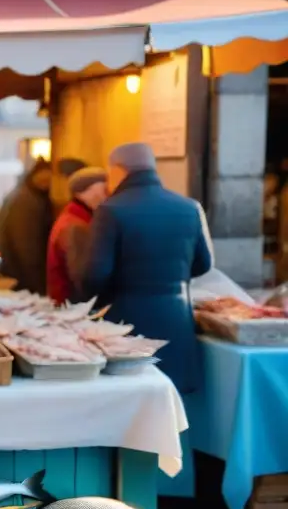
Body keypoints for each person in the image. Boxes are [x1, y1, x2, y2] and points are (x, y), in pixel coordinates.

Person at [76, 143, 211, 392]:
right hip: (177, 318)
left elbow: (95, 275)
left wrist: (94, 305)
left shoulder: (111, 210)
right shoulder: (188, 208)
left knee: (131, 396)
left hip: (126, 319)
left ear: (118, 170)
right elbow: (204, 264)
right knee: (172, 400)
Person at [0, 158, 54, 295]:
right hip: (19, 276)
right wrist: (39, 286)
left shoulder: (26, 195)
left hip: (14, 272)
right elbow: (26, 246)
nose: (47, 181)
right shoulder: (26, 201)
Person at [46, 167, 107, 304]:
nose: (107, 196)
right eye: (104, 190)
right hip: (73, 309)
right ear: (90, 191)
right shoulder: (76, 226)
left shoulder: (72, 218)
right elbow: (83, 278)